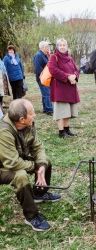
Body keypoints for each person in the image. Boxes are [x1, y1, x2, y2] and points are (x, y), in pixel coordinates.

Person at [0, 99, 61, 231]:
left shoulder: (28, 124)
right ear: (22, 119)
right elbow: (12, 162)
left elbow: (38, 147)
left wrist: (41, 165)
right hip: (3, 166)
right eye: (32, 113)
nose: (35, 115)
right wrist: (35, 167)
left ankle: (39, 193)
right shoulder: (3, 132)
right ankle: (31, 216)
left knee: (45, 161)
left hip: (16, 160)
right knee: (20, 176)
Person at [48, 38, 80, 139]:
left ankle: (66, 129)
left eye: (64, 45)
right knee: (60, 111)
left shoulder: (69, 58)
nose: (62, 47)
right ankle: (61, 132)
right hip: (59, 89)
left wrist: (75, 76)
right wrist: (67, 76)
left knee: (67, 111)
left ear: (67, 46)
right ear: (57, 46)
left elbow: (76, 69)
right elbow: (53, 70)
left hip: (70, 88)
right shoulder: (54, 57)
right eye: (60, 45)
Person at [33, 41, 54, 116]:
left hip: (46, 77)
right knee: (47, 93)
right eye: (47, 47)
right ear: (42, 47)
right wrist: (42, 77)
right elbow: (37, 68)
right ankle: (49, 109)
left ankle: (45, 109)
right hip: (42, 77)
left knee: (45, 93)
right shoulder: (38, 55)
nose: (48, 48)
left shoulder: (44, 55)